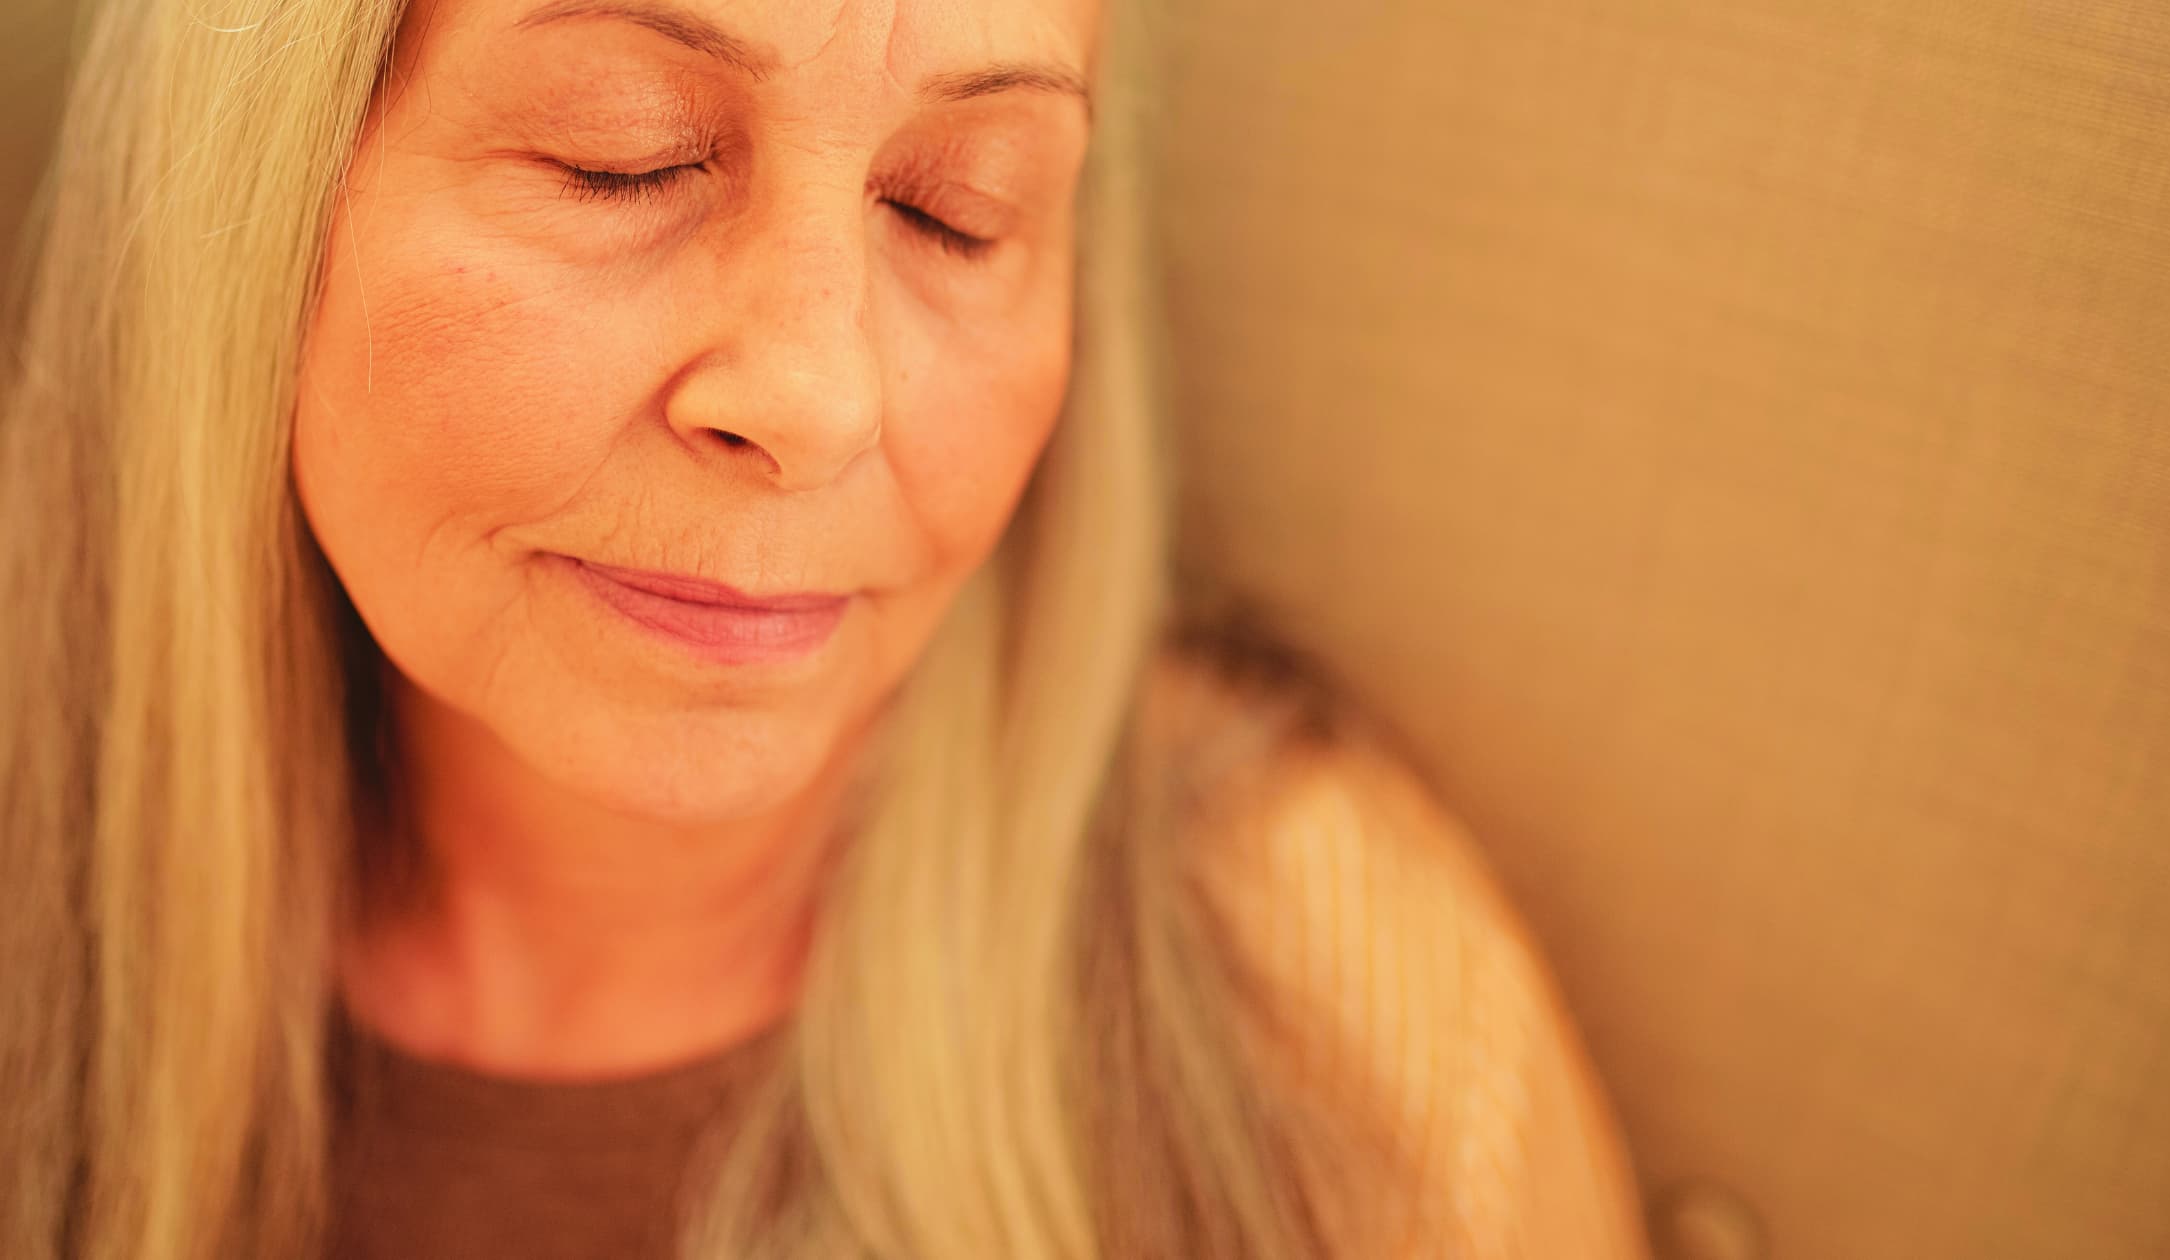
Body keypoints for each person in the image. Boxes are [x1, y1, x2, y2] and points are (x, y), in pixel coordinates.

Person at [0, 0, 1652, 1256]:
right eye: (621, 153)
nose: (820, 395)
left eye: (956, 209)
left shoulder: (1324, 996)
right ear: (253, 198)